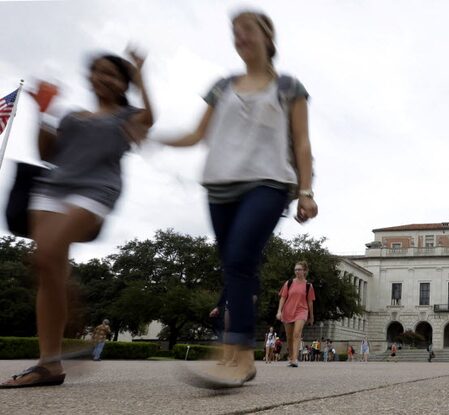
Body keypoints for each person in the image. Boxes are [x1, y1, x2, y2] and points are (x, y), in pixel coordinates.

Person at [161, 10, 316, 387]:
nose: (240, 37)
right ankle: (235, 354)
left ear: (267, 36)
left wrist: (306, 191)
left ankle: (239, 355)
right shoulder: (223, 85)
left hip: (269, 182)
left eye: (247, 29)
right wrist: (151, 134)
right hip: (220, 185)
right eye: (234, 32)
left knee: (241, 257)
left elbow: (301, 142)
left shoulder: (289, 87)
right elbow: (197, 134)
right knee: (234, 267)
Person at [1, 51, 154, 389]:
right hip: (50, 190)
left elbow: (150, 118)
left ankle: (76, 317)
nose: (103, 78)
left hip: (95, 191)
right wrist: (42, 112)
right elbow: (46, 152)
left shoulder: (127, 116)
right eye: (98, 72)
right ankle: (48, 365)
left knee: (44, 255)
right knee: (49, 269)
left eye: (112, 74)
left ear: (123, 83)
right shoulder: (73, 116)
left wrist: (141, 75)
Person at [277, 261, 316, 368]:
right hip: (288, 311)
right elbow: (283, 297)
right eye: (296, 269)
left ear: (305, 271)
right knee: (289, 337)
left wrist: (311, 316)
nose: (297, 271)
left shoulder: (308, 286)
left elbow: (310, 302)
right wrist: (279, 311)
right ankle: (291, 357)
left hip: (302, 311)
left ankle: (295, 359)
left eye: (299, 269)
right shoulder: (288, 283)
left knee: (297, 334)